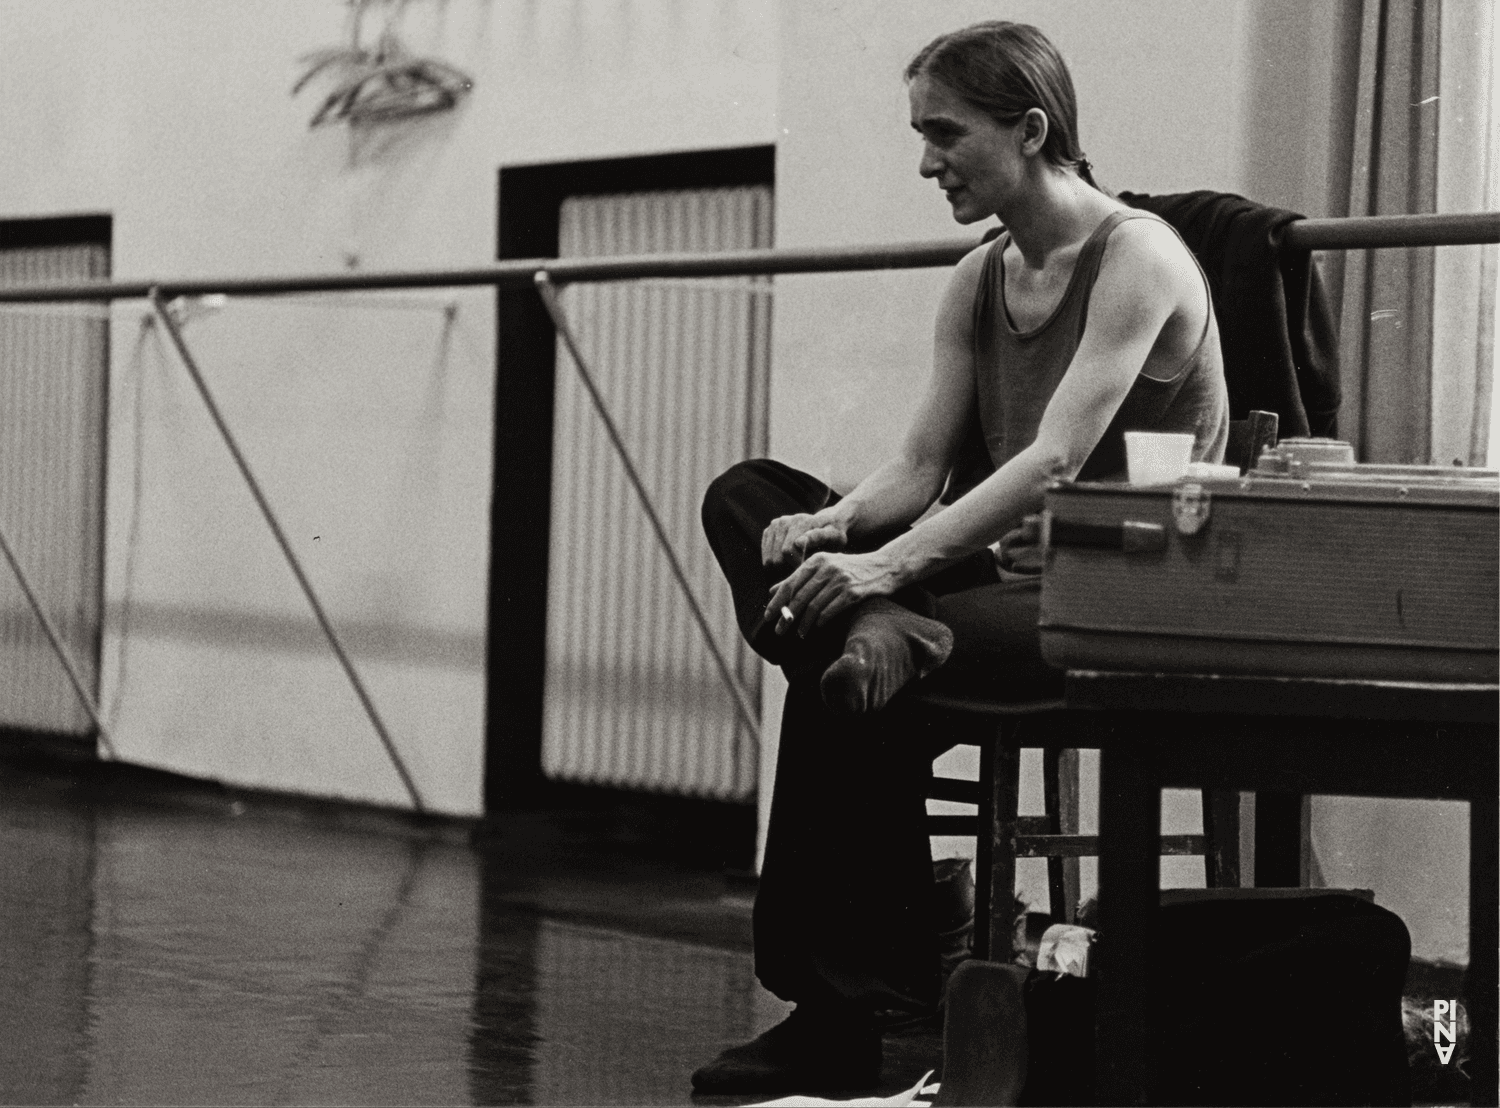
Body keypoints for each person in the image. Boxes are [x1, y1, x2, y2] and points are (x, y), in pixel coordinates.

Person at [692, 20, 1228, 1096]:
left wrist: (886, 573)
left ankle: (837, 1010)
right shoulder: (982, 274)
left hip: (1113, 595)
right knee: (748, 496)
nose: (926, 159)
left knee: (847, 680)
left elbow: (1054, 458)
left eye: (945, 133)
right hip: (991, 582)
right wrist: (841, 525)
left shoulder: (1140, 257)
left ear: (1029, 130)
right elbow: (919, 466)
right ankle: (873, 634)